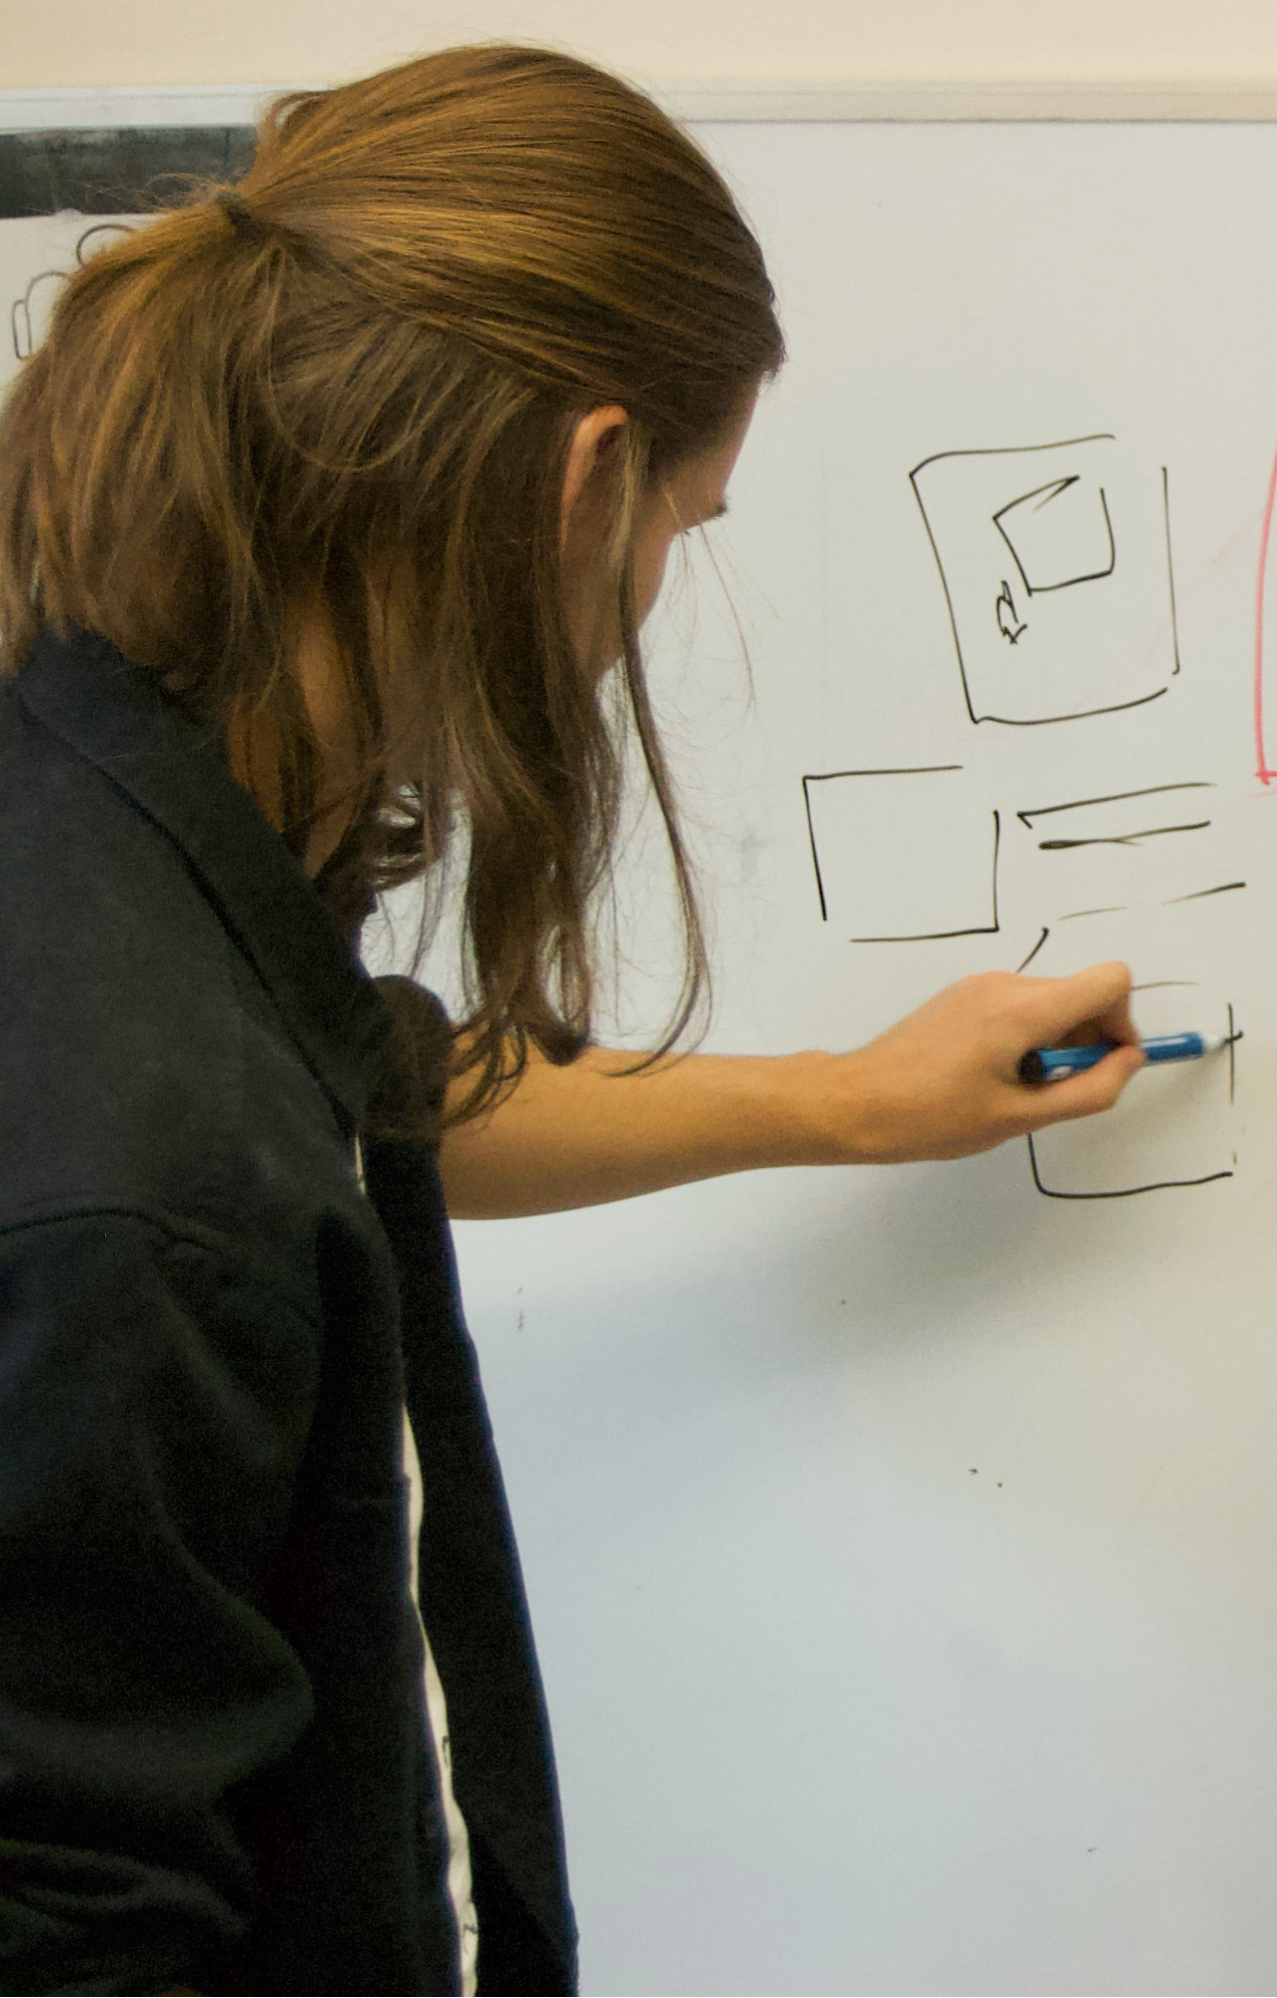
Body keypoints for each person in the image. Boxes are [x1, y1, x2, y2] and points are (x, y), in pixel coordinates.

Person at [0, 47, 1145, 1994]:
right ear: (579, 475)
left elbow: (344, 1096)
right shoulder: (143, 1194)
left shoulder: (107, 808)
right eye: (685, 526)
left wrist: (853, 1104)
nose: (653, 597)